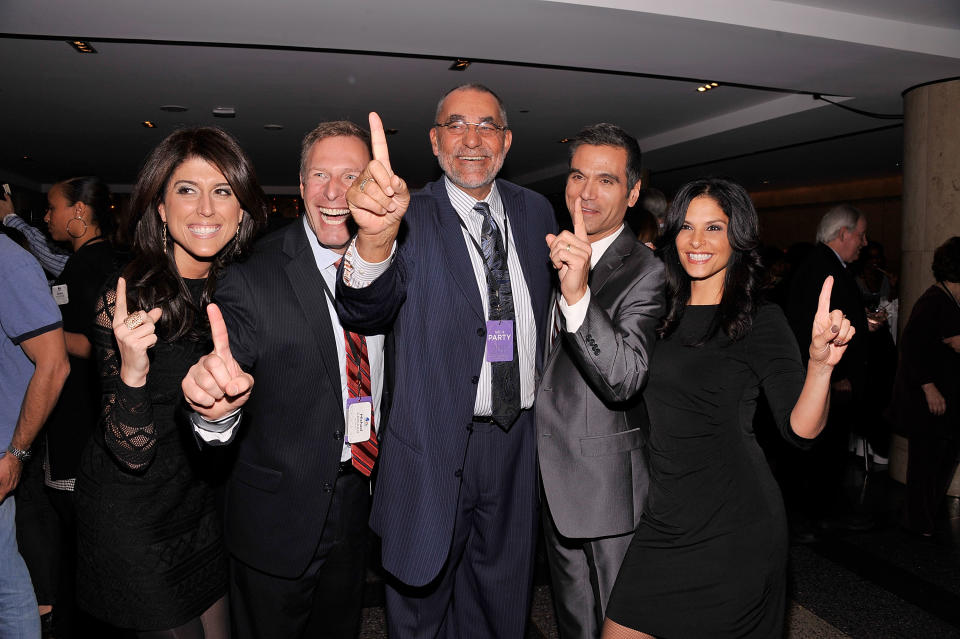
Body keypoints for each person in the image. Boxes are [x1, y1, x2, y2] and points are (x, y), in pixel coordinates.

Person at [337, 84, 558, 637]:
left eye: (487, 127)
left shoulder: (535, 212)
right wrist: (372, 241)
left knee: (501, 603)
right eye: (457, 125)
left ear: (506, 141)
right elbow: (365, 307)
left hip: (518, 440)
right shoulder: (408, 213)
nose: (472, 140)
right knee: (419, 611)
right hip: (431, 443)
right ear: (435, 142)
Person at [602, 177, 855, 638]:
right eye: (687, 227)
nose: (697, 242)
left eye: (714, 228)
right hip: (665, 517)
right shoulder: (659, 314)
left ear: (737, 237)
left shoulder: (758, 318)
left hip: (735, 524)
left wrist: (820, 366)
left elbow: (801, 430)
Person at [181, 120, 387, 639]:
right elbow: (227, 364)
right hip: (276, 516)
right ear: (301, 187)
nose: (335, 192)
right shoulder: (254, 273)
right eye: (320, 176)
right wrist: (215, 410)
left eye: (352, 176)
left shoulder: (395, 264)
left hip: (356, 500)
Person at [74, 126, 267, 637]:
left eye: (222, 190)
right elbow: (131, 453)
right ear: (160, 207)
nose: (205, 208)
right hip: (130, 513)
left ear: (242, 209)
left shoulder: (241, 291)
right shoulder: (127, 300)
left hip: (197, 503)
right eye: (187, 189)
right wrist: (134, 370)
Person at [536, 123, 663, 639]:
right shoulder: (556, 246)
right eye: (576, 176)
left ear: (632, 193)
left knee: (618, 622)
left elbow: (624, 378)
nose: (585, 192)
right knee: (573, 621)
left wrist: (578, 294)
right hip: (551, 474)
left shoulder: (646, 271)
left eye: (605, 180)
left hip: (607, 488)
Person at [20, 176, 123, 637]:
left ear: (80, 213)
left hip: (84, 416)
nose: (47, 216)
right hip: (88, 412)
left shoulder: (92, 267)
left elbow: (104, 345)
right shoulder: (91, 261)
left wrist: (40, 335)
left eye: (53, 207)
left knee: (84, 539)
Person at [0, 232, 70, 638]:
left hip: (11, 448)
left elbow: (54, 363)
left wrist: (14, 454)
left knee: (7, 586)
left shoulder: (9, 261)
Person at [786, 203, 871, 533]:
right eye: (861, 236)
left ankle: (821, 510)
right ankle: (820, 513)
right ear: (844, 234)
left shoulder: (825, 264)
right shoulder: (823, 268)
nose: (864, 243)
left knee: (829, 449)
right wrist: (833, 377)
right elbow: (808, 324)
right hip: (831, 379)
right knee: (825, 450)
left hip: (833, 376)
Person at [889, 237, 960, 537]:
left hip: (945, 401)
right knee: (925, 464)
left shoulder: (950, 300)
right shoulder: (935, 300)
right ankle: (917, 522)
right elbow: (912, 346)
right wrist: (929, 388)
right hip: (928, 402)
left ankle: (927, 517)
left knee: (942, 461)